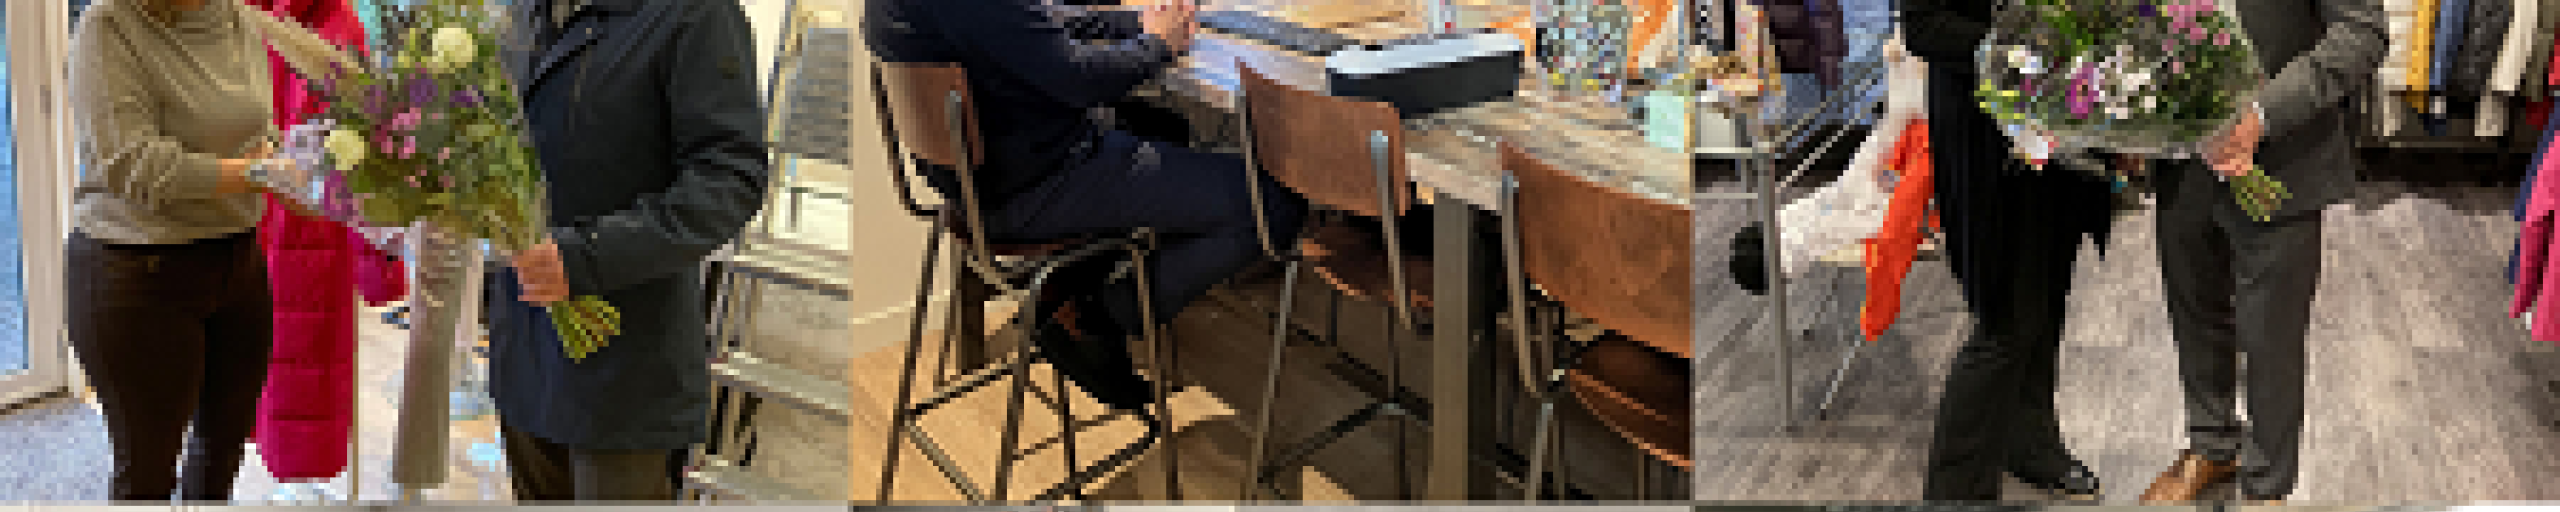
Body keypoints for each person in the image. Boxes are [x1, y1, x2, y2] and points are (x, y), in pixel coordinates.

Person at [865, 0, 1312, 412]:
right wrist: (1159, 44)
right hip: (1034, 186)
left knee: (1163, 126)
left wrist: (1138, 21)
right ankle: (1098, 318)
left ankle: (1074, 288)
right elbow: (1078, 79)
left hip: (979, 185)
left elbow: (1039, 21)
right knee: (1273, 203)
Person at [66, 0, 356, 501]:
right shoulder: (109, 24)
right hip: (138, 271)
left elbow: (257, 134)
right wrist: (256, 173)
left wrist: (292, 175)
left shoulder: (236, 16)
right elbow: (134, 165)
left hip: (238, 263)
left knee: (221, 455)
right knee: (147, 472)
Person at [489, 0, 771, 501]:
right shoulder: (520, 12)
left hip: (625, 372)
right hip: (523, 353)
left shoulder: (695, 13)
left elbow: (730, 179)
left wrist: (589, 256)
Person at [2137, 0, 2386, 503]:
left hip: (2284, 157)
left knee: (2272, 333)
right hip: (2181, 157)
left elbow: (2361, 32)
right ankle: (2212, 444)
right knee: (2194, 310)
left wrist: (2263, 115)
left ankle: (2267, 486)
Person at [1896, 0, 2119, 500]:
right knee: (2006, 318)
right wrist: (2027, 54)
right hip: (1987, 140)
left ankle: (2031, 445)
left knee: (2046, 303)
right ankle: (1955, 493)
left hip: (2064, 133)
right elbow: (1927, 27)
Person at [241, 0, 412, 484]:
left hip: (271, 224)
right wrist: (382, 272)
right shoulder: (336, 23)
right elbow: (363, 155)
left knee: (265, 378)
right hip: (295, 231)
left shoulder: (239, 19)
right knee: (275, 374)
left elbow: (360, 151)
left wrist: (380, 267)